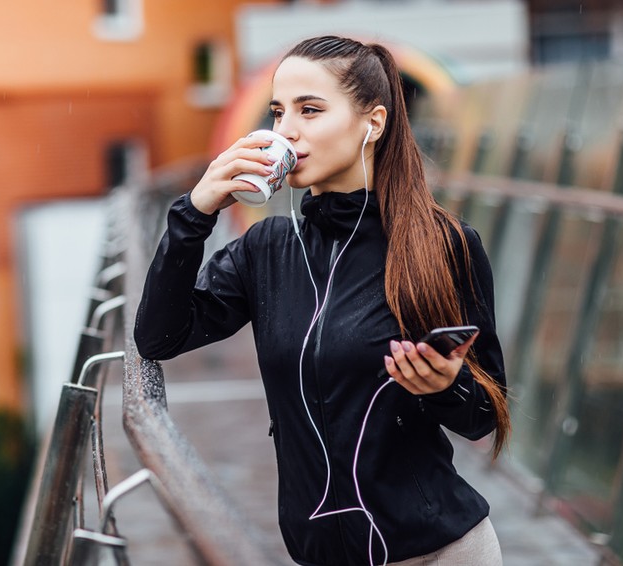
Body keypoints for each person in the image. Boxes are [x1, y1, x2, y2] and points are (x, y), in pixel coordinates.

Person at [134, 35, 510, 566]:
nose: (285, 129)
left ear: (373, 123)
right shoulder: (266, 249)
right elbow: (159, 336)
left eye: (310, 110)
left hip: (442, 552)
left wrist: (446, 386)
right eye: (278, 112)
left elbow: (485, 415)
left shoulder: (443, 244)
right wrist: (194, 214)